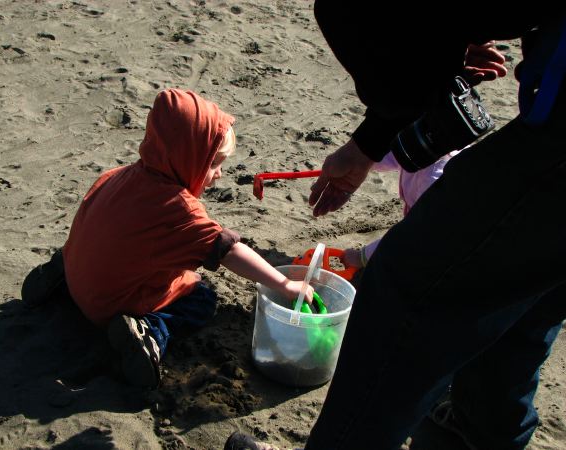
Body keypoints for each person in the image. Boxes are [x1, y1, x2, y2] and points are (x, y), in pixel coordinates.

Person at [224, 4, 566, 450]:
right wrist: (436, 55)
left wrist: (433, 55)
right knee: (524, 297)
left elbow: (405, 83)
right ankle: (478, 433)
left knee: (405, 294)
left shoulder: (437, 167)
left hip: (555, 144)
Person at [22, 88, 314, 388]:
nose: (219, 174)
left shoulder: (119, 174)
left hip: (80, 276)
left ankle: (63, 275)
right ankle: (149, 331)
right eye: (213, 164)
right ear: (189, 158)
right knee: (201, 300)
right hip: (110, 306)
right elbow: (228, 250)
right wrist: (284, 284)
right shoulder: (178, 211)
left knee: (108, 246)